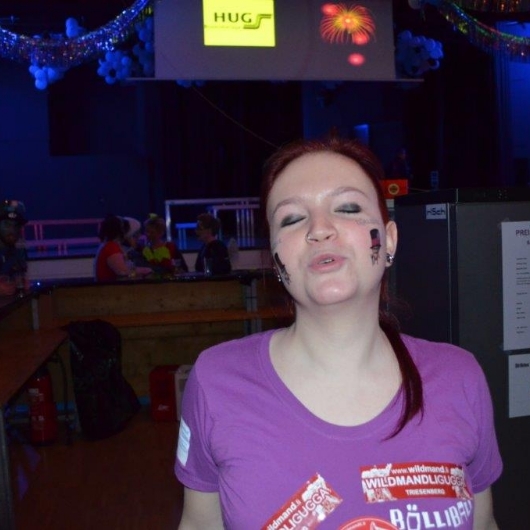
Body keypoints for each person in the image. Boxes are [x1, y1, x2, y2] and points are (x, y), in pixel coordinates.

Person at [175, 136, 502, 529]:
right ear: (275, 259)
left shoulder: (460, 377)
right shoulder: (216, 382)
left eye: (348, 208)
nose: (320, 229)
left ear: (389, 240)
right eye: (291, 219)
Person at [94, 214, 151, 282]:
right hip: (110, 287)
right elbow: (123, 272)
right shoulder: (111, 247)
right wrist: (145, 270)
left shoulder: (108, 245)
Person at [0, 199, 29, 296]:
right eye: (7, 225)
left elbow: (22, 279)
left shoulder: (18, 252)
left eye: (16, 226)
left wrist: (19, 283)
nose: (12, 230)